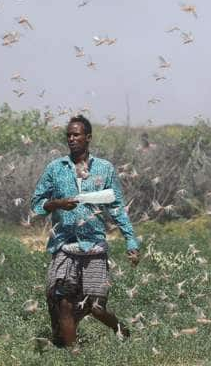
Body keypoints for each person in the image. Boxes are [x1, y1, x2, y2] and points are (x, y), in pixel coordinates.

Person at [31, 114, 140, 348]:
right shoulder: (56, 168)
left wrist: (131, 241)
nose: (71, 138)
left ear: (88, 138)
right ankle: (74, 356)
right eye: (68, 135)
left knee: (95, 307)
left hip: (94, 247)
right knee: (63, 302)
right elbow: (37, 204)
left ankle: (120, 328)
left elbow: (117, 207)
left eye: (76, 134)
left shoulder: (104, 169)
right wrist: (58, 203)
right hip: (64, 246)